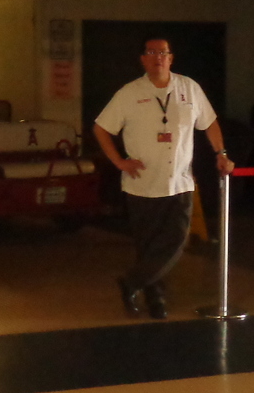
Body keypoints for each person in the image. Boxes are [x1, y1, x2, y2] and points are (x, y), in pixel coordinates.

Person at [93, 38, 233, 320]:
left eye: (163, 53)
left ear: (171, 58)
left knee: (176, 241)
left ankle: (130, 283)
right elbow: (100, 128)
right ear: (143, 59)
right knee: (147, 247)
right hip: (142, 184)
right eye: (152, 53)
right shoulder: (129, 93)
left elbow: (210, 123)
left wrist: (221, 152)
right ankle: (155, 298)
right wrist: (119, 161)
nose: (158, 57)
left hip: (179, 183)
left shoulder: (189, 88)